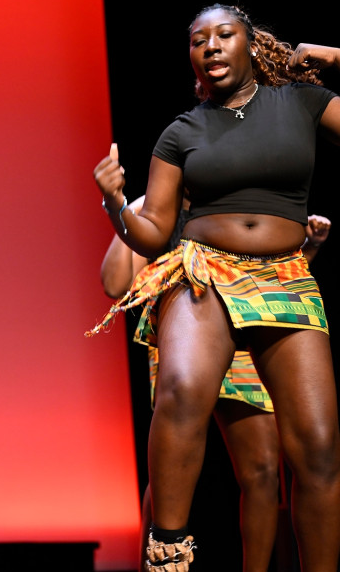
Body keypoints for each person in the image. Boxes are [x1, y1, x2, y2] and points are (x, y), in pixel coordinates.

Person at [91, 3, 340, 571]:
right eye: (199, 39)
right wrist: (112, 203)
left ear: (251, 45)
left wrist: (335, 57)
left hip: (285, 274)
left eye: (225, 34)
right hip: (206, 269)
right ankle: (169, 556)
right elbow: (153, 233)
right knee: (179, 389)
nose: (211, 45)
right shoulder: (182, 131)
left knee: (318, 447)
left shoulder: (303, 102)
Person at [102, 197, 331, 572]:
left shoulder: (243, 196)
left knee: (261, 469)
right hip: (185, 332)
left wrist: (311, 246)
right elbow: (114, 282)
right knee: (168, 472)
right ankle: (156, 565)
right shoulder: (161, 204)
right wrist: (124, 207)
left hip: (245, 330)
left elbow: (273, 277)